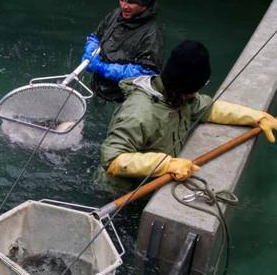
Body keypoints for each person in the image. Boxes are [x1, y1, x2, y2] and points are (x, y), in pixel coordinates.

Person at [100, 41, 277, 186]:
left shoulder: (179, 96)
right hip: (120, 192)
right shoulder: (139, 112)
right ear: (182, 88)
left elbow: (209, 108)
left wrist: (256, 116)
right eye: (194, 90)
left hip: (150, 182)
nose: (195, 95)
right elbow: (112, 158)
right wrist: (165, 164)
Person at [81, 0, 164, 103]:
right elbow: (96, 36)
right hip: (97, 87)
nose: (124, 6)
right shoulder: (115, 14)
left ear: (144, 4)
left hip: (123, 97)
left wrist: (103, 68)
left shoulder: (152, 34)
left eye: (131, 2)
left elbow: (145, 73)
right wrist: (91, 48)